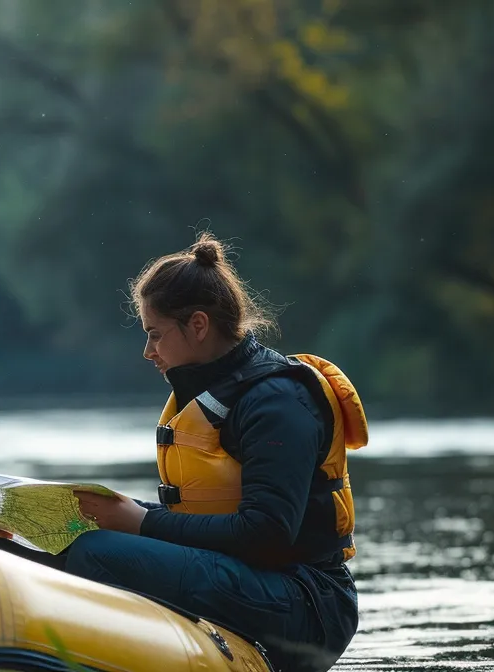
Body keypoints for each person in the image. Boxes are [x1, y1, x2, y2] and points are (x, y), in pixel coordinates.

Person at [63, 232, 365, 672]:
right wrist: (108, 510)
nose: (148, 351)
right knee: (51, 542)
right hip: (252, 578)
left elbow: (267, 533)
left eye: (155, 334)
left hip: (310, 603)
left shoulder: (277, 401)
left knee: (97, 553)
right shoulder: (210, 391)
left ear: (199, 325)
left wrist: (142, 522)